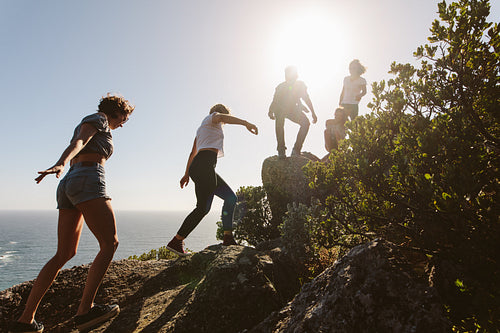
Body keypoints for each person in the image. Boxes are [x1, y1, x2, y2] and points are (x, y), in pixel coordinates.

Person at [10, 94, 134, 333]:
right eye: (124, 118)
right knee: (110, 243)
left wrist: (64, 166)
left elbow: (79, 141)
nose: (123, 123)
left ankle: (26, 320)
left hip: (70, 184)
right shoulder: (99, 119)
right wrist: (60, 162)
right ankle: (85, 312)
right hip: (86, 177)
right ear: (116, 112)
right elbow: (79, 142)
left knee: (65, 252)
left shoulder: (96, 122)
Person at [166, 104, 258, 256]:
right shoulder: (213, 117)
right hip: (204, 166)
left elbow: (192, 153)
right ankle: (177, 241)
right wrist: (246, 123)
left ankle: (225, 237)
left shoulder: (202, 129)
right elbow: (221, 117)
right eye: (225, 119)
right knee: (211, 205)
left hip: (202, 167)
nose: (224, 123)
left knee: (220, 202)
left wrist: (186, 174)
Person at [268, 66, 317, 159]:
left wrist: (312, 112)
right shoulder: (280, 87)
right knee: (279, 122)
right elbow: (275, 100)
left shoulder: (300, 85)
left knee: (305, 123)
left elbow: (306, 98)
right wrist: (270, 110)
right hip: (280, 108)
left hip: (292, 110)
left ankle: (296, 149)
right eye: (288, 74)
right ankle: (281, 150)